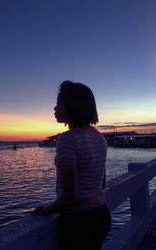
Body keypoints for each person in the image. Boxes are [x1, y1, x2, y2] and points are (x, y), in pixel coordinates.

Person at [32, 80, 111, 250]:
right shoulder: (99, 137)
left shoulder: (67, 139)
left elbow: (70, 197)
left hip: (79, 223)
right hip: (101, 214)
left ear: (72, 105)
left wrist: (47, 209)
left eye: (58, 103)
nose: (54, 109)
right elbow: (102, 183)